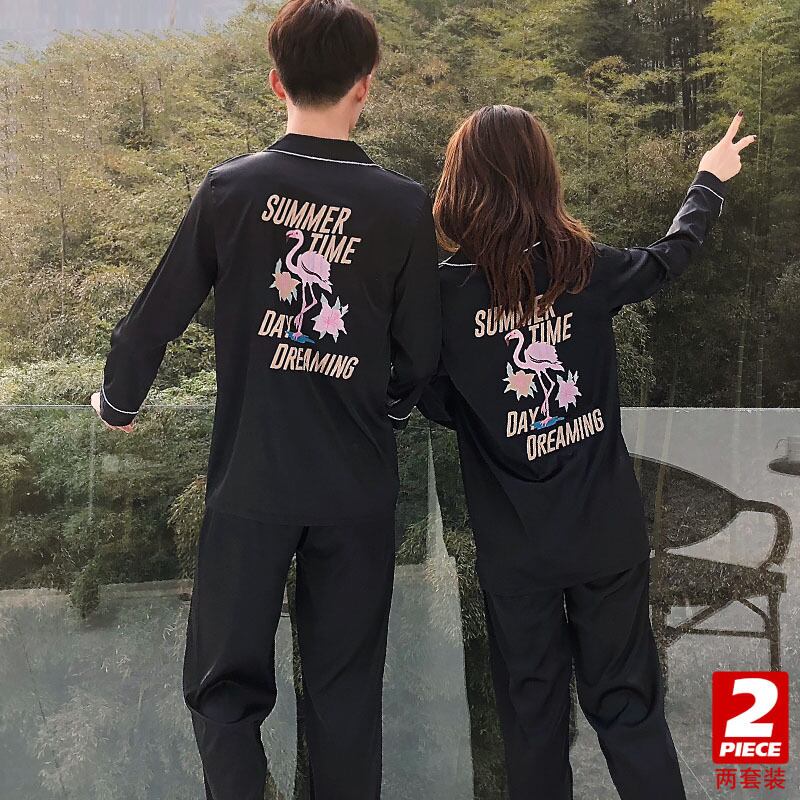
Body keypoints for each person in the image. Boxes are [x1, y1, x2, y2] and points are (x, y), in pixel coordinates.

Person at [91, 1, 440, 797]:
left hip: (251, 481)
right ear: (366, 85)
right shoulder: (403, 205)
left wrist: (118, 400)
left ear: (275, 81)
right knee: (346, 694)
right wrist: (387, 409)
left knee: (224, 689)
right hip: (356, 487)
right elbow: (420, 352)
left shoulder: (232, 190)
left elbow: (156, 317)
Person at [419, 106, 754, 799]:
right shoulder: (582, 268)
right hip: (607, 537)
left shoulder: (443, 297)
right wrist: (708, 182)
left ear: (459, 183)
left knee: (533, 727)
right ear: (543, 176)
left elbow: (426, 397)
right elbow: (668, 258)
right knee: (629, 712)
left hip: (517, 553)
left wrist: (488, 419)